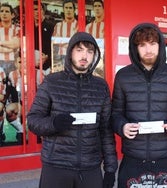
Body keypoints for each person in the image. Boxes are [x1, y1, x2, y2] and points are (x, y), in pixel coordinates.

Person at [27, 32, 118, 188]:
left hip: (90, 167)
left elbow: (106, 130)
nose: (85, 56)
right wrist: (54, 123)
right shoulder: (51, 82)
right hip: (56, 165)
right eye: (79, 50)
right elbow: (33, 120)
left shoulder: (101, 86)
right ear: (70, 53)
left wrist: (110, 170)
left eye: (90, 51)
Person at [111, 23, 167, 187]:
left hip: (165, 157)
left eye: (152, 43)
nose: (148, 49)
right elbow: (115, 113)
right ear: (135, 48)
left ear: (160, 45)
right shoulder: (123, 76)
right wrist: (122, 127)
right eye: (142, 45)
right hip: (132, 157)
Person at [52, 0, 78, 72]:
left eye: (70, 8)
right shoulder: (58, 26)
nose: (68, 10)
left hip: (75, 58)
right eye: (66, 8)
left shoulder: (79, 26)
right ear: (63, 9)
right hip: (61, 59)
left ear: (74, 10)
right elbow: (55, 45)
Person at [34, 0, 55, 85]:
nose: (36, 12)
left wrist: (47, 56)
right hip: (32, 66)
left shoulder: (51, 26)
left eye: (39, 9)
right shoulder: (27, 26)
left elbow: (54, 45)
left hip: (46, 66)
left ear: (43, 11)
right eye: (34, 9)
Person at [0, 3, 20, 76]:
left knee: (13, 86)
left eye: (7, 11)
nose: (4, 13)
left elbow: (16, 44)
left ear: (12, 15)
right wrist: (10, 48)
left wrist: (1, 43)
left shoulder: (17, 29)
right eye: (1, 11)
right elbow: (13, 45)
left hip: (14, 63)